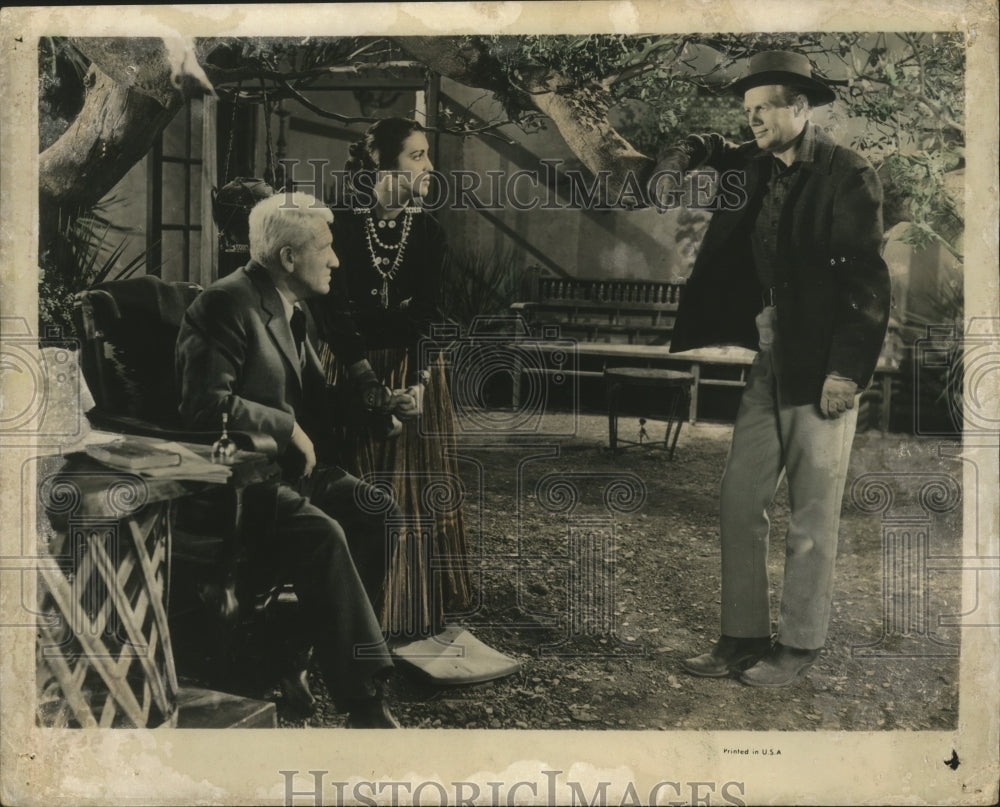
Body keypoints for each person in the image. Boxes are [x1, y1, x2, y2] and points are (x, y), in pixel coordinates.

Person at [661, 51, 891, 686]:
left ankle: (799, 644)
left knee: (813, 512)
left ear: (800, 108)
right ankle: (741, 635)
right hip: (769, 356)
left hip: (823, 366)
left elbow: (868, 281)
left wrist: (845, 372)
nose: (753, 119)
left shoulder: (848, 173)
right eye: (748, 112)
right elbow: (720, 149)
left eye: (764, 108)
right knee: (740, 498)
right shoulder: (755, 163)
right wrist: (697, 146)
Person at [175, 191, 402, 726]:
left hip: (288, 474)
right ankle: (364, 702)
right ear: (289, 258)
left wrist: (380, 408)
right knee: (324, 533)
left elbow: (320, 397)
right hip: (237, 481)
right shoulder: (225, 304)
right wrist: (286, 427)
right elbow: (202, 406)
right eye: (325, 247)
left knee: (376, 509)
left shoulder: (288, 306)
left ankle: (293, 653)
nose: (336, 260)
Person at [312, 118, 473, 640]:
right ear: (383, 164)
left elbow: (429, 314)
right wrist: (363, 377)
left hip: (414, 370)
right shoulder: (337, 223)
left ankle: (411, 604)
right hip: (351, 365)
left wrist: (419, 385)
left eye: (427, 154)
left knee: (413, 487)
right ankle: (355, 606)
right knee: (360, 480)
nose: (430, 167)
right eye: (417, 156)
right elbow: (334, 312)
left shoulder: (427, 232)